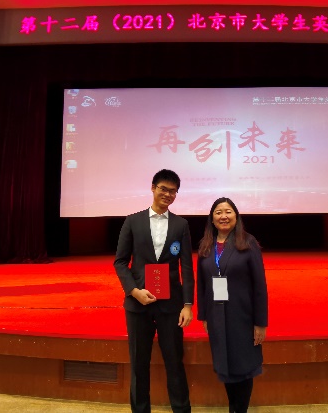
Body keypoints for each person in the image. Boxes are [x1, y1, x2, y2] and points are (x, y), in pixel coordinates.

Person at [114, 169, 194, 413]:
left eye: (173, 191)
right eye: (163, 189)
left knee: (175, 363)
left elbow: (186, 267)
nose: (167, 194)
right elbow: (120, 261)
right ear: (153, 188)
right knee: (139, 364)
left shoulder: (181, 225)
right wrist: (133, 290)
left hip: (171, 305)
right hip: (138, 304)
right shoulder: (132, 221)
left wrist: (188, 305)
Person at [197, 197, 268, 413]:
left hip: (242, 316)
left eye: (228, 211)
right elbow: (202, 284)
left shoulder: (248, 242)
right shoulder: (206, 245)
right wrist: (204, 315)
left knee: (243, 366)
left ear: (236, 216)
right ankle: (233, 408)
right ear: (212, 218)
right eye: (218, 212)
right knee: (225, 365)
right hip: (217, 316)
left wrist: (260, 323)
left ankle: (240, 410)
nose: (223, 216)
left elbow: (259, 285)